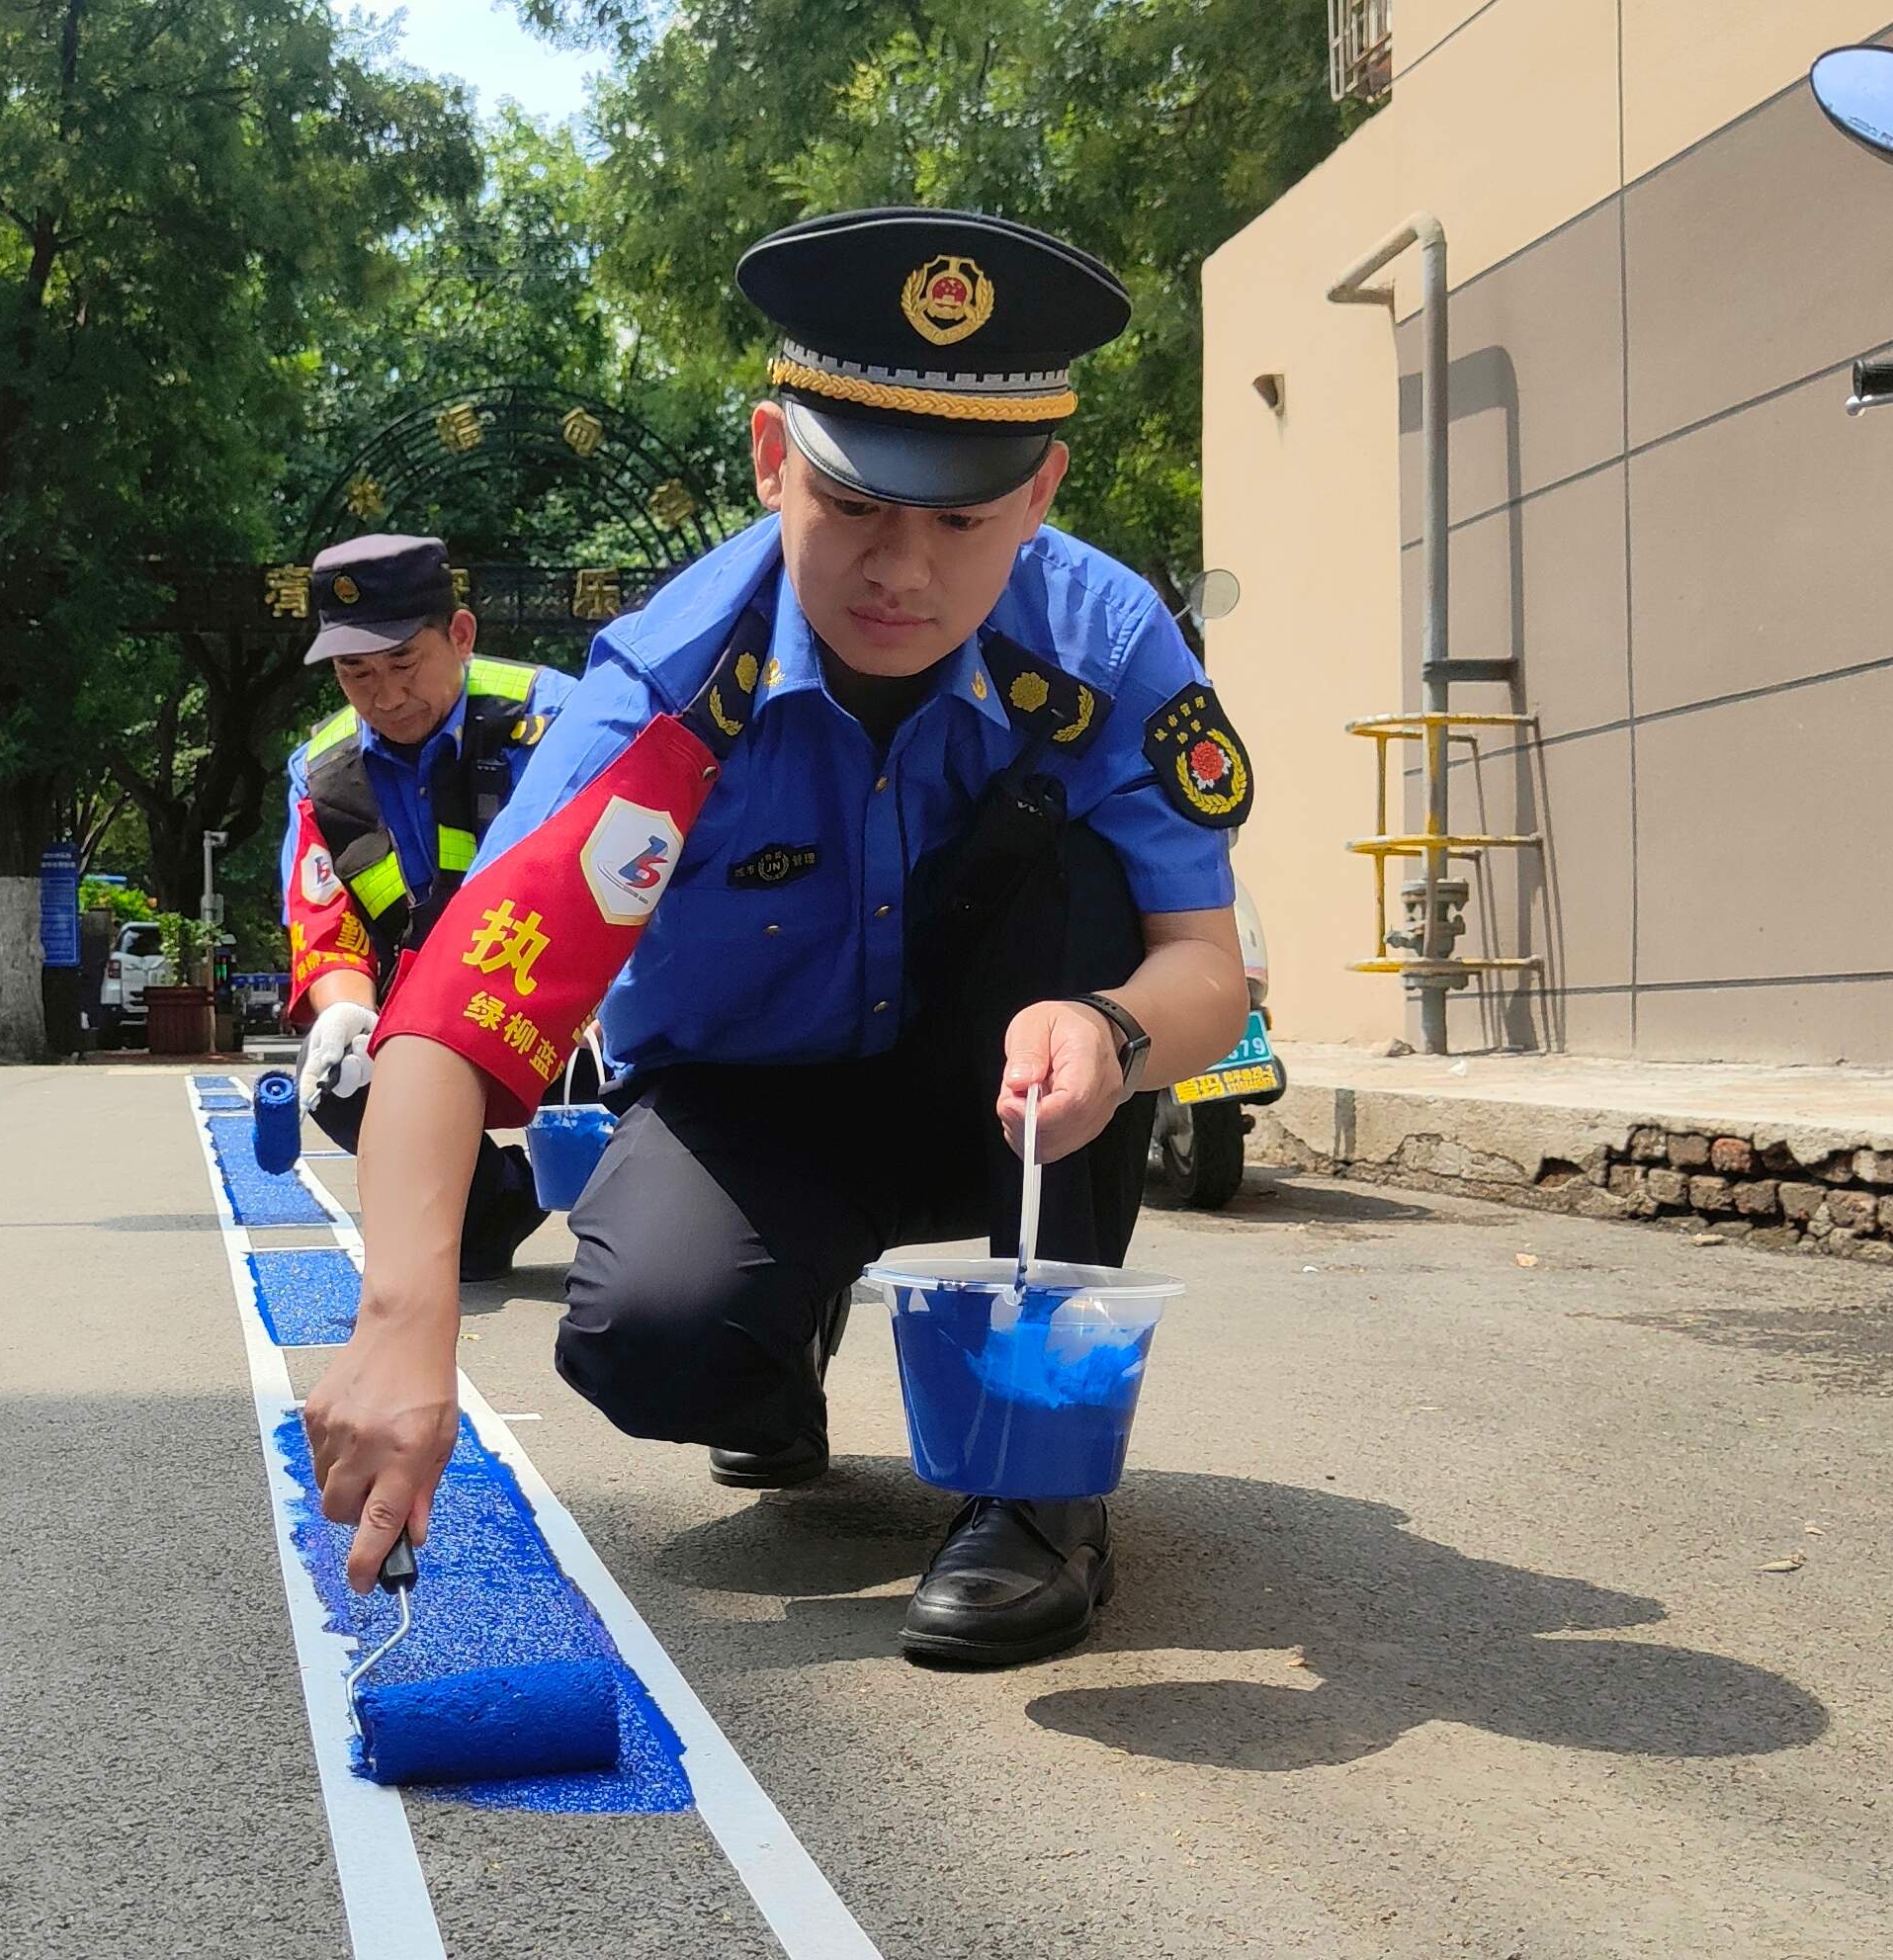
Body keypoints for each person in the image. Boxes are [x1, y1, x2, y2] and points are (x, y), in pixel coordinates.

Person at [303, 208, 1254, 1667]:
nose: (905, 572)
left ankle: (1035, 1491)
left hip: (1013, 1097)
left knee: (1083, 883)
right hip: (757, 1099)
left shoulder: (1105, 646)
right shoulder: (673, 684)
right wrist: (401, 1323)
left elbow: (1206, 963)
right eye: (856, 502)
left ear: (1043, 489)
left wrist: (1115, 1033)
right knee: (649, 1339)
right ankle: (779, 1335)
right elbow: (460, 1003)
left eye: (964, 517)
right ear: (770, 460)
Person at [280, 533, 578, 1279]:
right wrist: (347, 1014)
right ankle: (496, 1201)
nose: (384, 696)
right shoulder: (323, 773)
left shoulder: (557, 723)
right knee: (340, 1078)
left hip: (577, 1005)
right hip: (436, 1020)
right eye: (356, 673)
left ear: (462, 636)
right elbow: (326, 921)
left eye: (404, 663)